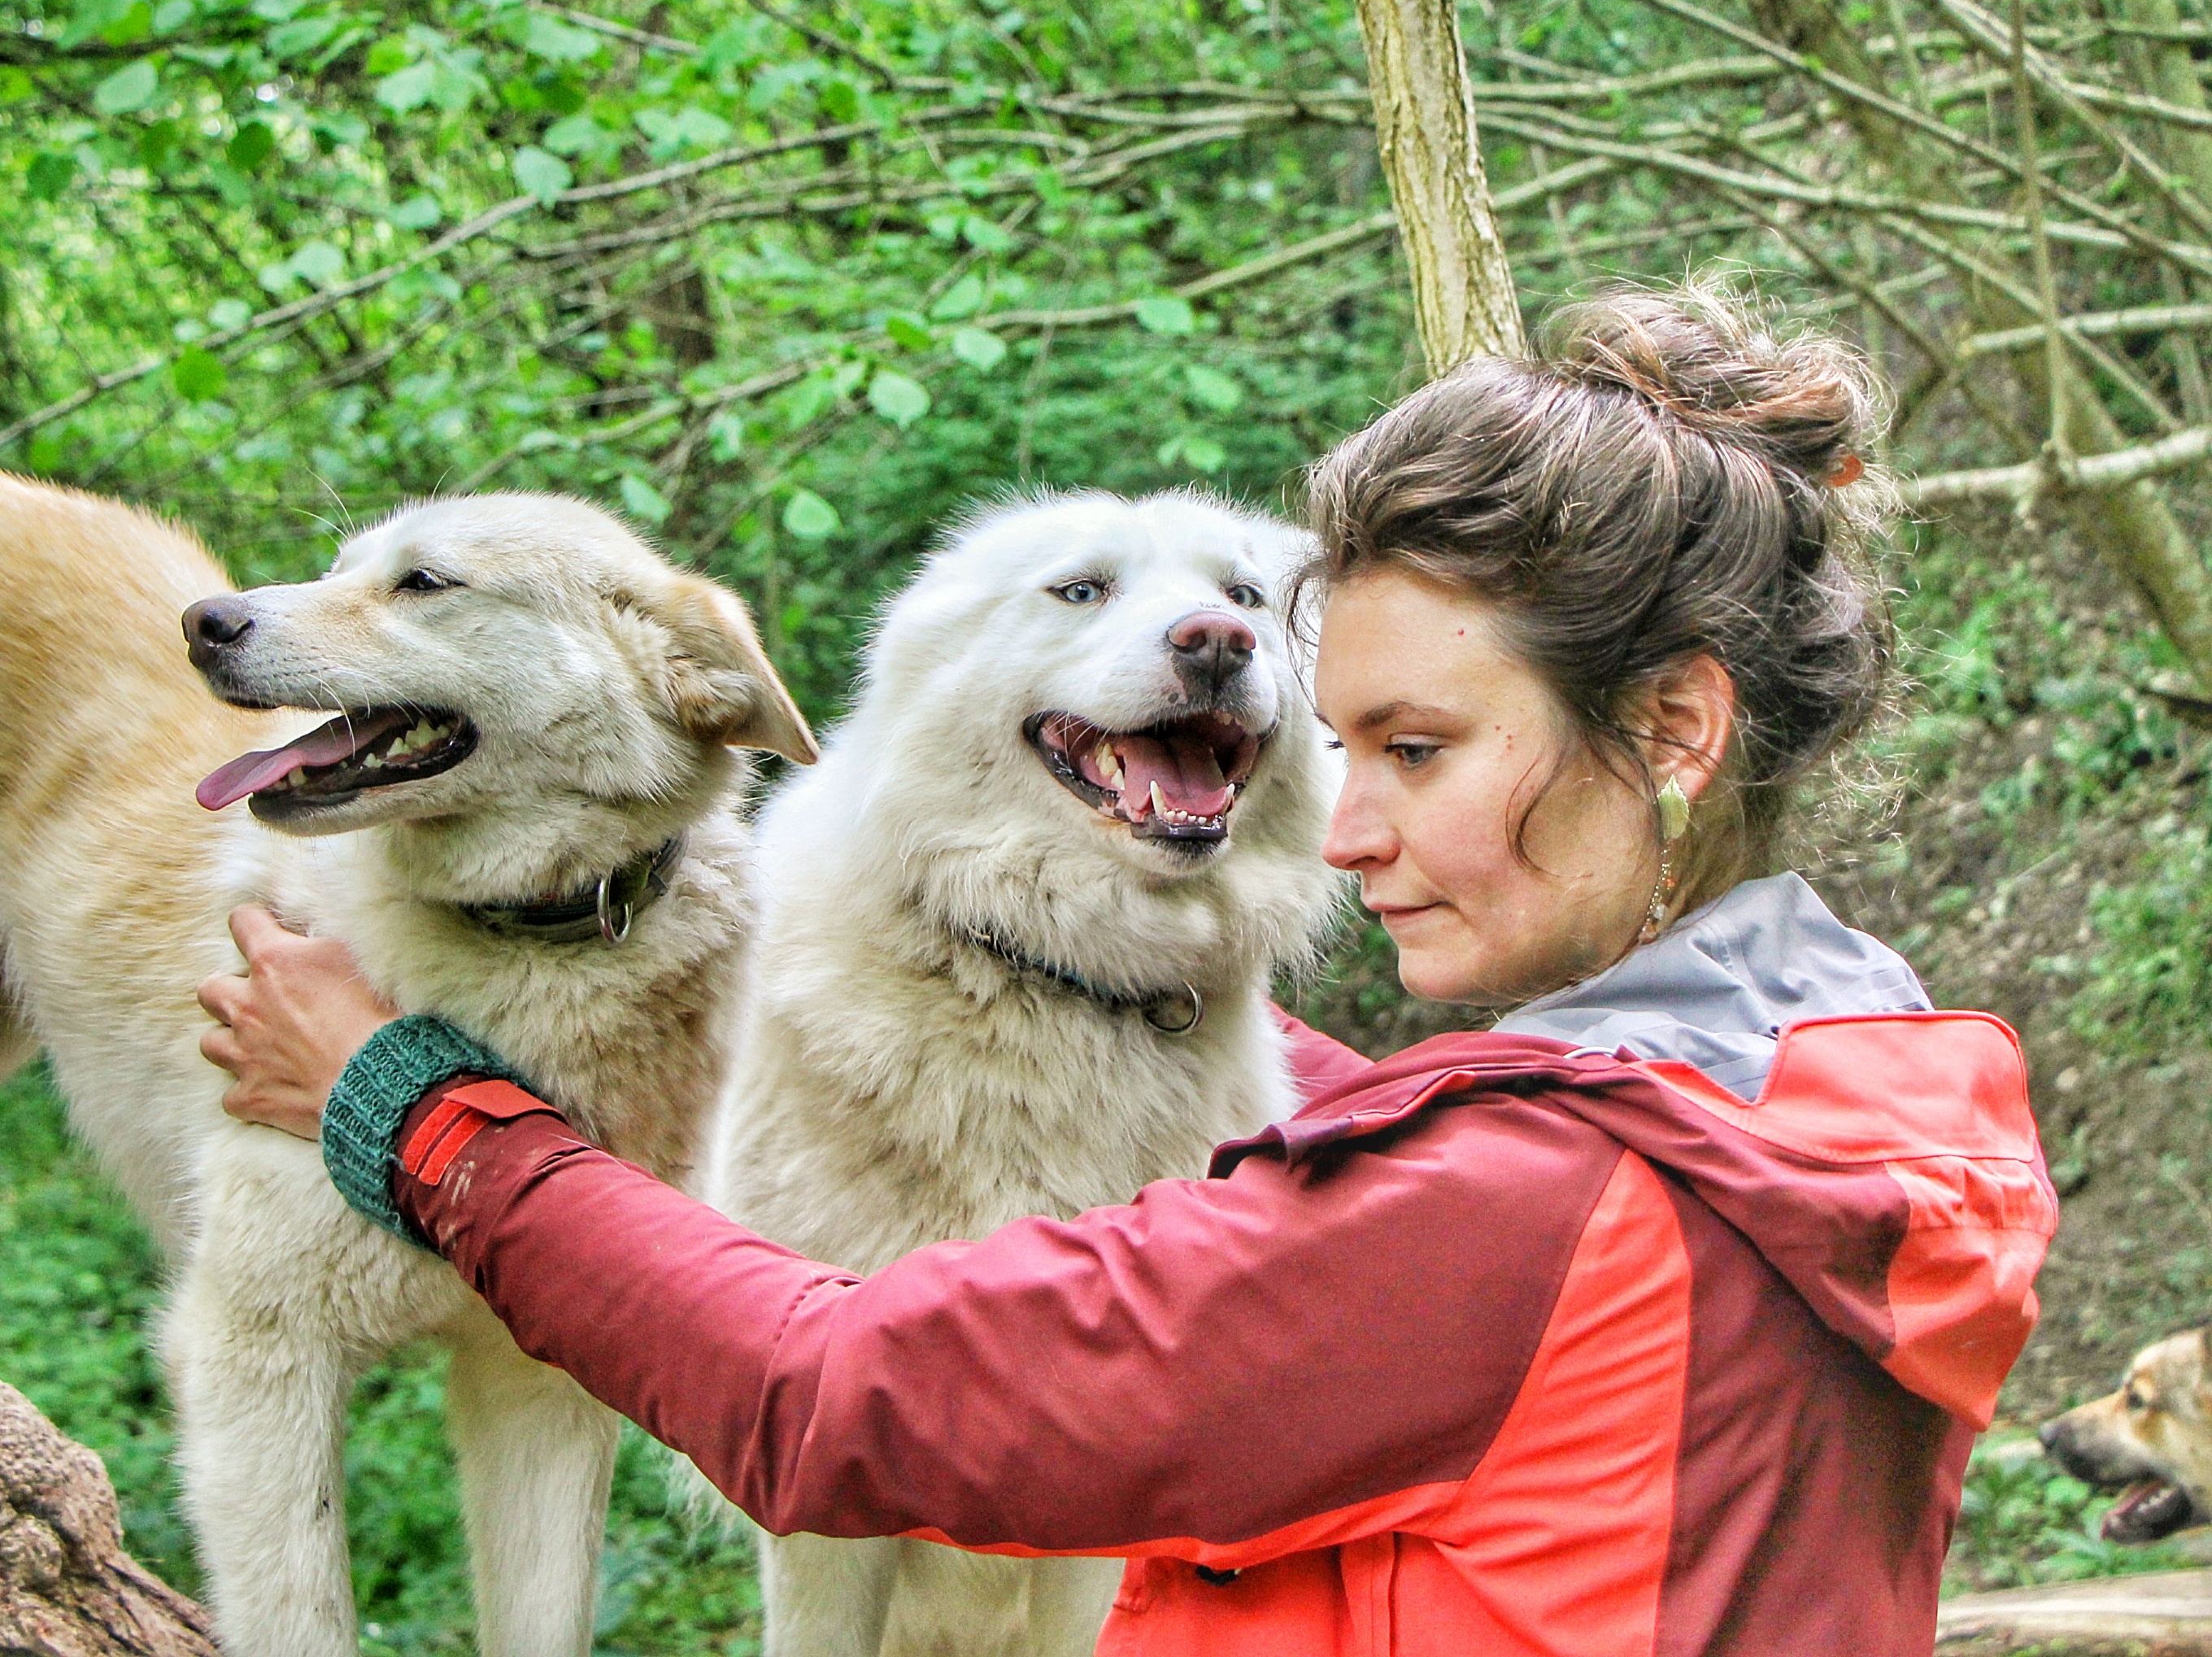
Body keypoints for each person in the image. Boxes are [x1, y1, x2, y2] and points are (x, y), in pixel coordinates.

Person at [197, 284, 2053, 1656]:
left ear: (1673, 730)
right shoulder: (1846, 1080)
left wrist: (409, 1104)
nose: (1347, 832)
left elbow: (831, 1397)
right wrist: (1073, 974)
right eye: (1348, 750)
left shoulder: (1515, 1214)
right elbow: (1458, 1168)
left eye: (1417, 752)